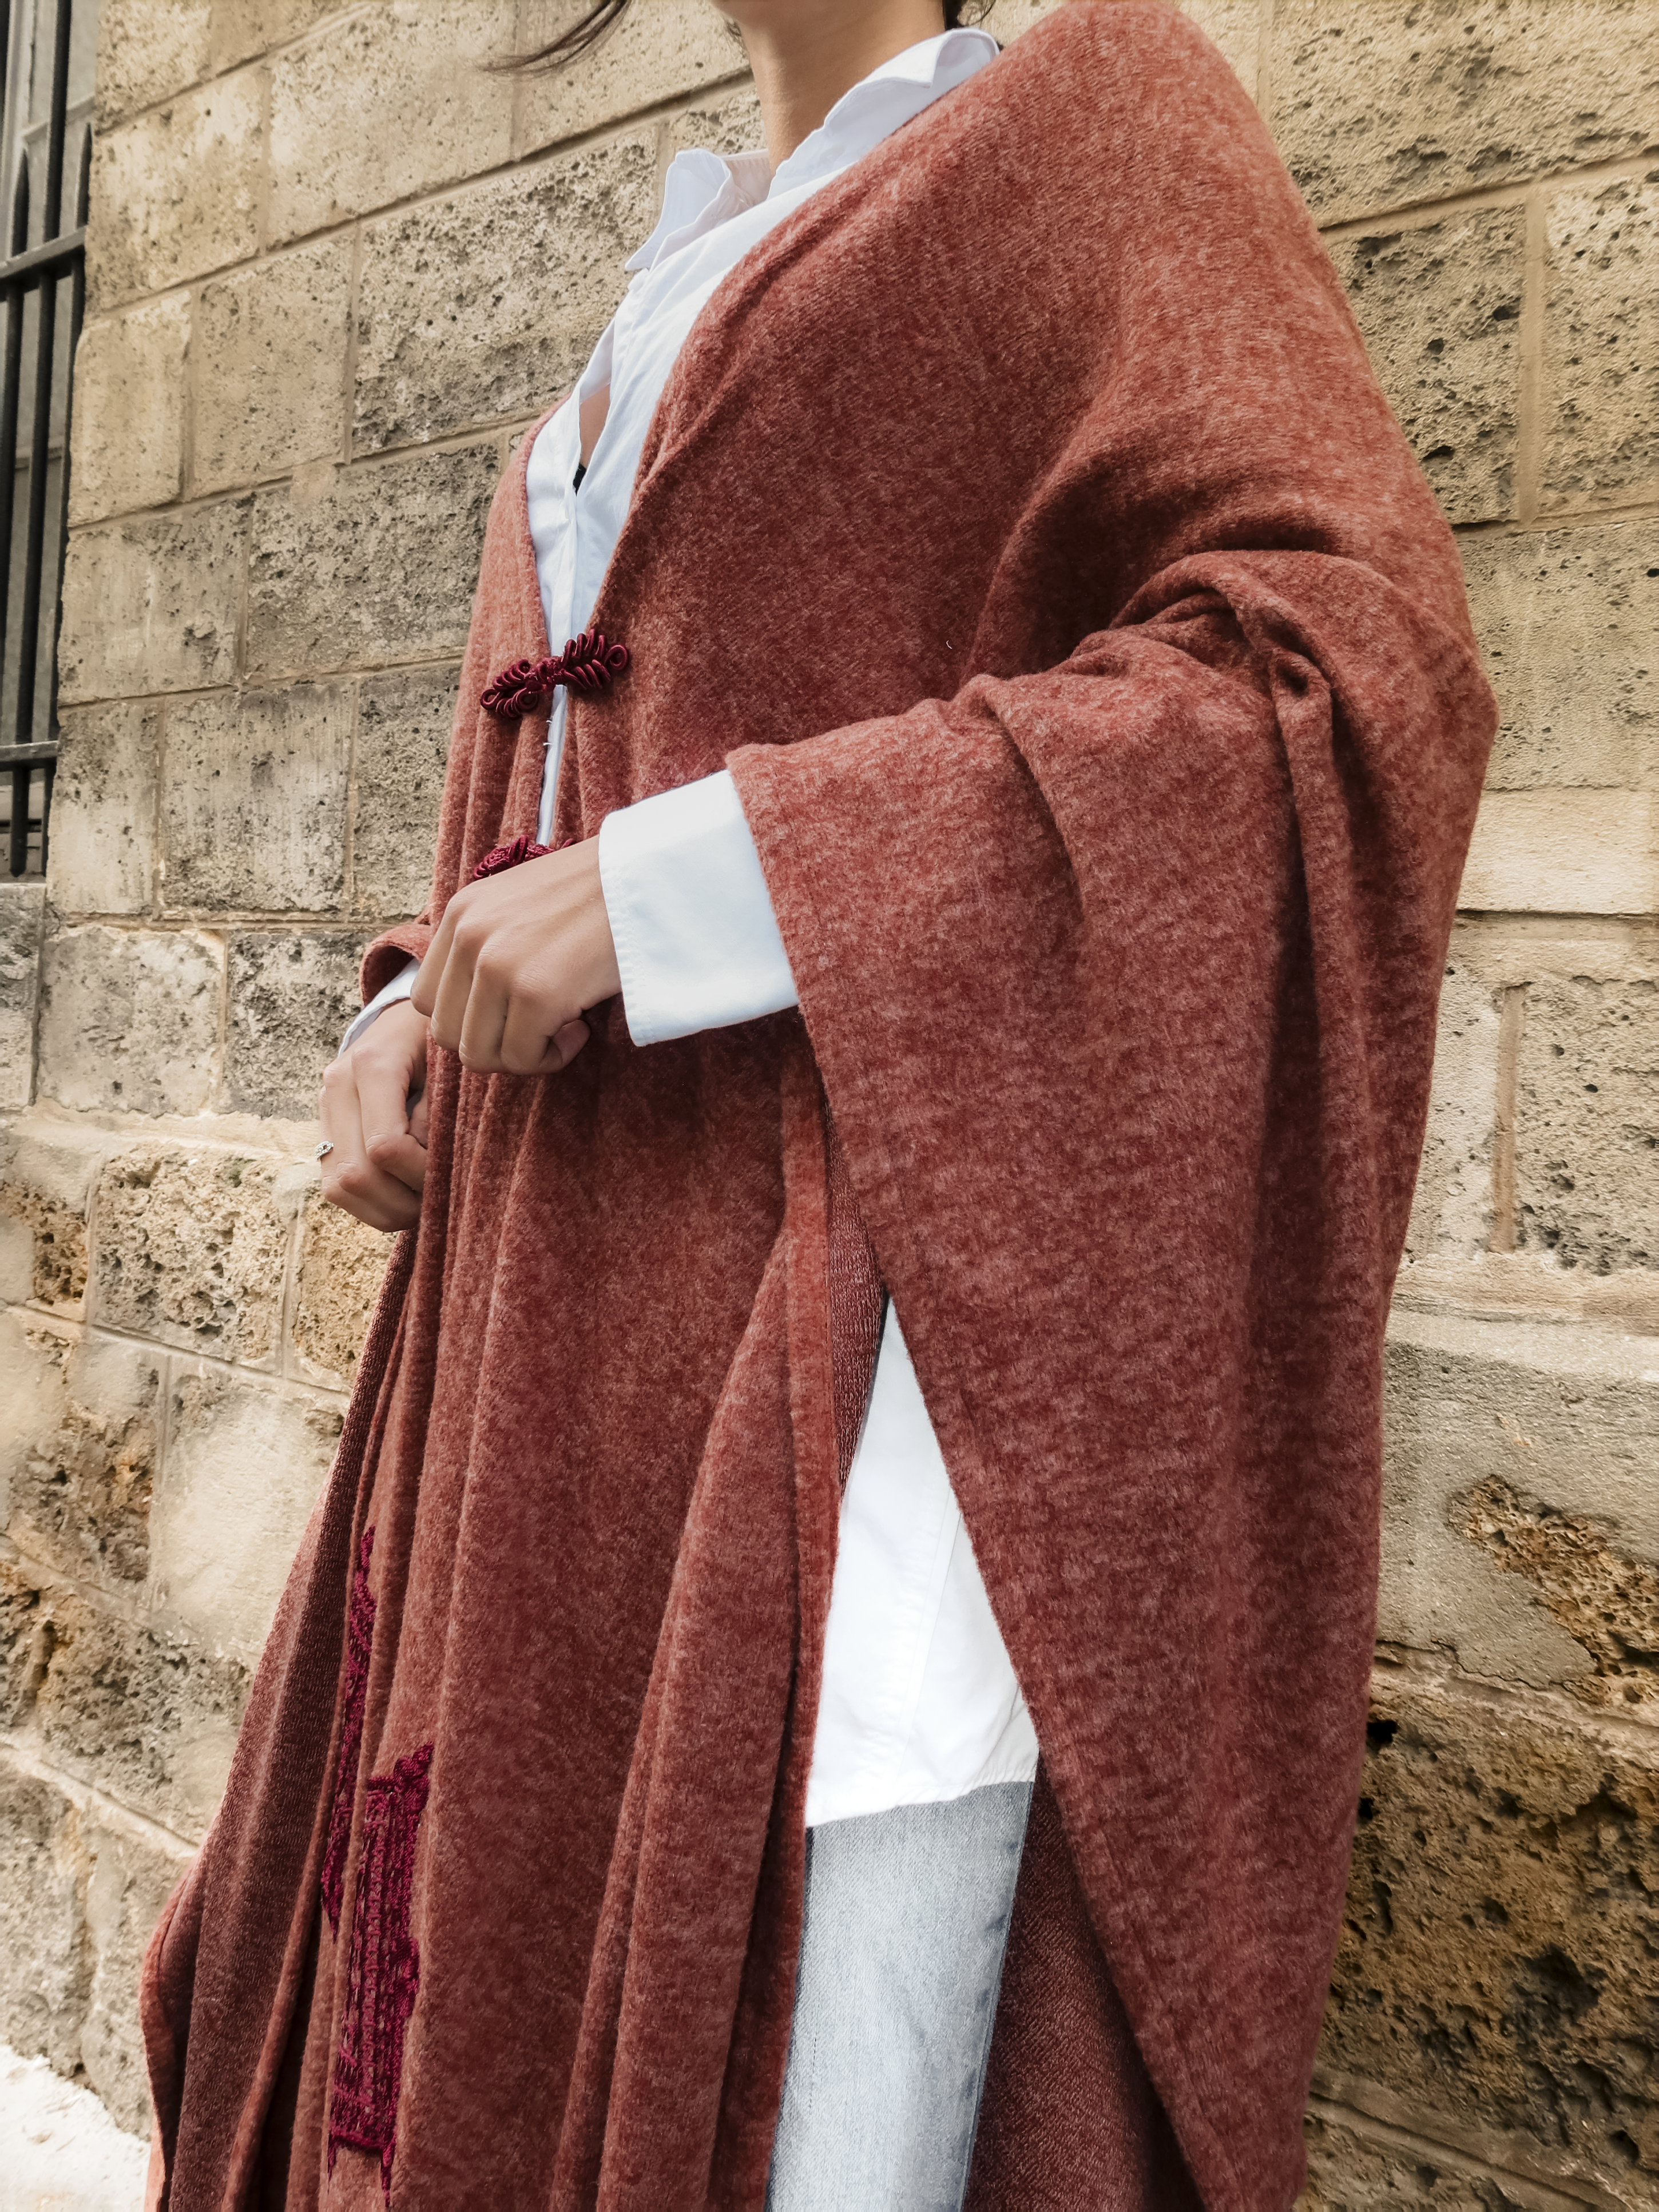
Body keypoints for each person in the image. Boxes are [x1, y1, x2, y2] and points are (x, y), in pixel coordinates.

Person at [140, 3, 1496, 2208]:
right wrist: (416, 990)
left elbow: (1336, 663)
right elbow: (596, 759)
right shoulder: (672, 262)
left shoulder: (1090, 113)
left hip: (828, 1356)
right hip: (528, 1353)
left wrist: (707, 880)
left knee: (797, 2082)